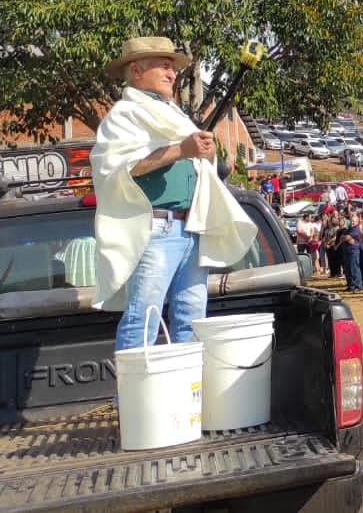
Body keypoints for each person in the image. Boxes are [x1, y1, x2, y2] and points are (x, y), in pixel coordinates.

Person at [90, 36, 256, 351]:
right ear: (137, 71)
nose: (171, 73)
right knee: (144, 319)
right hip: (155, 229)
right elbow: (121, 167)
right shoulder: (123, 116)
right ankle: (133, 400)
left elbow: (195, 162)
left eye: (172, 67)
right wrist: (182, 149)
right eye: (164, 66)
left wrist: (203, 154)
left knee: (192, 321)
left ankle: (187, 396)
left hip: (191, 227)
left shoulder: (174, 115)